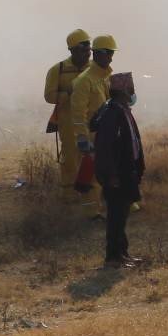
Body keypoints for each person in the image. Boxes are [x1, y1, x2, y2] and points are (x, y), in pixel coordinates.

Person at [91, 71, 145, 267]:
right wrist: (112, 175)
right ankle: (113, 257)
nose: (133, 93)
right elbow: (105, 147)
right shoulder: (112, 113)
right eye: (131, 89)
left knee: (121, 215)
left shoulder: (121, 110)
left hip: (125, 172)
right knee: (116, 216)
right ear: (123, 90)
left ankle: (122, 253)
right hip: (117, 174)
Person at [70, 34, 119, 216]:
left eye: (112, 53)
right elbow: (78, 114)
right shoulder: (84, 81)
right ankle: (91, 212)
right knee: (90, 174)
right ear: (97, 54)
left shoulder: (106, 77)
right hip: (92, 135)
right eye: (108, 53)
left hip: (107, 133)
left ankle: (115, 204)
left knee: (111, 170)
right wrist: (82, 138)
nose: (111, 57)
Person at [44, 29, 93, 203]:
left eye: (88, 50)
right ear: (72, 50)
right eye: (82, 50)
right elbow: (49, 96)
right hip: (68, 123)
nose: (86, 54)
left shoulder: (94, 69)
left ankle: (90, 194)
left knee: (92, 157)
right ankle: (69, 195)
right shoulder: (58, 70)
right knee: (71, 157)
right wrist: (69, 92)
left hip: (92, 121)